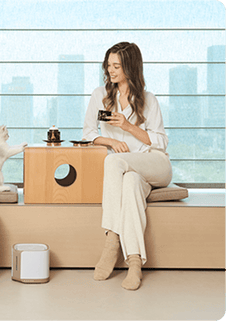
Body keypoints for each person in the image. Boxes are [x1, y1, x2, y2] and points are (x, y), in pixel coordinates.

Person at [82, 42, 172, 290]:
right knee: (130, 182)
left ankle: (112, 241)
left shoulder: (148, 99)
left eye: (117, 66)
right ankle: (134, 264)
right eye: (108, 65)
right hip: (129, 173)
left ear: (130, 68)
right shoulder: (99, 96)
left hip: (155, 163)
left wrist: (128, 127)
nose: (111, 71)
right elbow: (89, 133)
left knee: (112, 160)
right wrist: (109, 139)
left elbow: (162, 142)